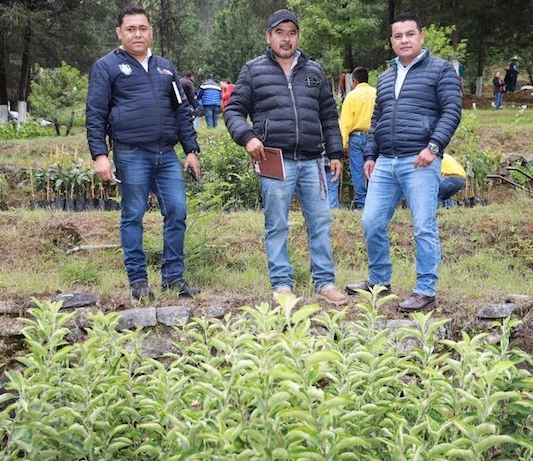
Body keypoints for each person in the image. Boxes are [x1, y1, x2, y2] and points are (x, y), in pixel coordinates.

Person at [224, 9, 347, 306]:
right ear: (269, 36)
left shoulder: (314, 71)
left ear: (298, 37)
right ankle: (281, 285)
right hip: (273, 157)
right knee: (276, 223)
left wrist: (335, 153)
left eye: (291, 32)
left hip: (312, 159)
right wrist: (248, 136)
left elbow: (329, 117)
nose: (286, 38)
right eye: (280, 32)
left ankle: (325, 283)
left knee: (320, 222)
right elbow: (233, 111)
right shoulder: (253, 70)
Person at [346, 12, 462, 313]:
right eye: (398, 36)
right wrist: (370, 155)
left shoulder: (440, 70)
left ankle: (425, 290)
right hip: (386, 161)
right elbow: (377, 119)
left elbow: (452, 110)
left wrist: (434, 147)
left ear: (420, 37)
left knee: (423, 226)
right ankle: (379, 281)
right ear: (392, 41)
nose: (404, 40)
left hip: (420, 160)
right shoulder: (385, 78)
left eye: (410, 34)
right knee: (371, 221)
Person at [86, 5, 201, 301]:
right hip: (131, 153)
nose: (138, 34)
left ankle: (173, 279)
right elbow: (95, 113)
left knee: (177, 211)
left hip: (167, 154)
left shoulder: (166, 67)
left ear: (151, 31)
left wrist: (191, 150)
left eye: (143, 28)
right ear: (119, 33)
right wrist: (100, 155)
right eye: (131, 29)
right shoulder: (107, 66)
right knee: (133, 215)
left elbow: (181, 110)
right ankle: (138, 282)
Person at [339, 66, 376, 209]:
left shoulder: (352, 96)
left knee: (358, 170)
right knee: (375, 169)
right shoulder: (376, 93)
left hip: (356, 137)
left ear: (354, 81)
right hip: (374, 137)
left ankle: (362, 203)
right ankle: (375, 201)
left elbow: (345, 123)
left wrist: (344, 144)